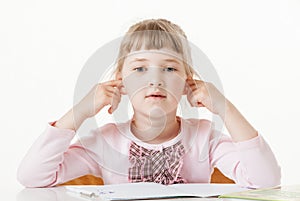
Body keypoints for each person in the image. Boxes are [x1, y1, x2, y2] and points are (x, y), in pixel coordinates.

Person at [17, 18, 281, 188]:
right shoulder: (105, 142)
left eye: (169, 69)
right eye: (140, 69)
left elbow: (266, 180)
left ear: (187, 81)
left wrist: (224, 107)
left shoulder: (204, 138)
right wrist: (80, 111)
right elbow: (33, 177)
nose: (155, 80)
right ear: (121, 81)